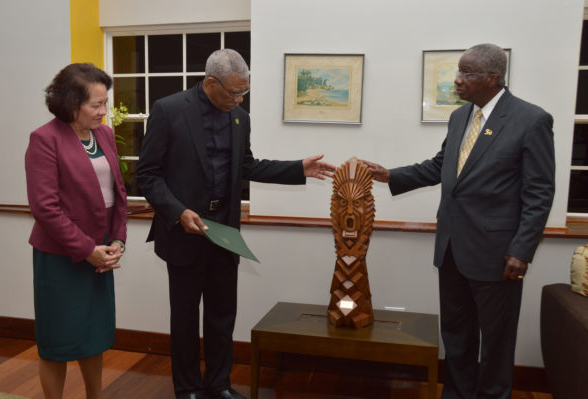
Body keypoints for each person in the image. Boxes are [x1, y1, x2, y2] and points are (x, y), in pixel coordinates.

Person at [136, 48, 335, 399]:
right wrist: (178, 211)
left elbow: (247, 166)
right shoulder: (169, 110)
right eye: (233, 92)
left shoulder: (239, 116)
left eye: (244, 92)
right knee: (184, 317)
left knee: (222, 315)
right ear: (210, 83)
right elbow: (148, 175)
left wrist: (296, 169)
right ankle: (187, 389)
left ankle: (219, 385)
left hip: (224, 232)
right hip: (184, 231)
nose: (239, 99)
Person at [362, 43, 555, 399]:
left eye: (467, 73)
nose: (458, 80)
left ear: (492, 78)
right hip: (451, 248)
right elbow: (442, 166)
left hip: (498, 255)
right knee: (457, 334)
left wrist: (522, 250)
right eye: (459, 72)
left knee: (496, 342)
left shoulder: (531, 120)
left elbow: (539, 192)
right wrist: (392, 175)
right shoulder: (460, 117)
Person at [25, 63, 127, 399]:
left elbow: (118, 193)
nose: (104, 111)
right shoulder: (44, 139)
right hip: (61, 259)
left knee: (93, 336)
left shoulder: (105, 135)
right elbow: (45, 208)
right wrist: (87, 250)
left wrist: (116, 241)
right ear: (70, 103)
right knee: (57, 342)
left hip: (99, 255)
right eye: (96, 105)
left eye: (105, 103)